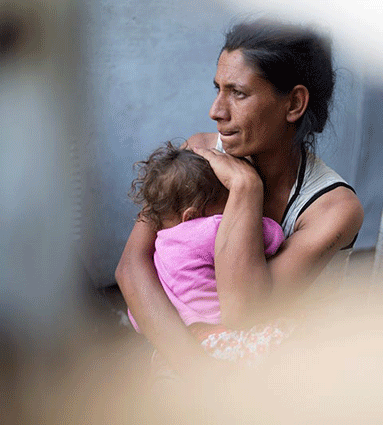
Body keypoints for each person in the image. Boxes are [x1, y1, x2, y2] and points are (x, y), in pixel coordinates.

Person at [115, 18, 364, 380]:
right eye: (217, 89)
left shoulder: (333, 209)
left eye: (238, 93)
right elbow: (131, 267)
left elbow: (241, 310)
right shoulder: (198, 156)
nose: (216, 110)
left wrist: (246, 189)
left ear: (294, 104)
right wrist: (198, 372)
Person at [125, 141, 287, 361]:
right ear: (191, 215)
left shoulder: (158, 249)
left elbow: (136, 318)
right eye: (224, 203)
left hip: (183, 348)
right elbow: (273, 236)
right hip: (225, 337)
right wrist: (245, 196)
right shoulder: (209, 228)